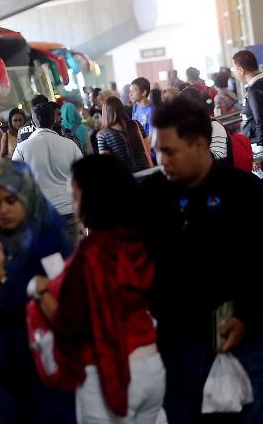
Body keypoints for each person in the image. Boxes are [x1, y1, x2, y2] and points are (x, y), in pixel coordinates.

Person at [143, 98, 263, 424]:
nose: (161, 160)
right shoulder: (152, 195)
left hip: (241, 341)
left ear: (200, 145)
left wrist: (247, 315)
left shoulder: (245, 192)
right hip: (177, 345)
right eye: (156, 150)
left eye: (170, 151)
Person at [28, 155, 164, 424]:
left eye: (76, 195)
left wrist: (41, 291)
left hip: (109, 373)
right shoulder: (143, 237)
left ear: (95, 197)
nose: (74, 206)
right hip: (152, 365)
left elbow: (70, 320)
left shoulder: (94, 252)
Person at [0, 159, 76, 424]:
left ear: (27, 195)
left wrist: (2, 277)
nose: (2, 210)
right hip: (1, 366)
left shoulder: (52, 241)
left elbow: (57, 307)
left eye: (11, 199)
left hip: (43, 369)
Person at [13, 103, 82, 243]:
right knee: (71, 257)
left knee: (48, 259)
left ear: (33, 123)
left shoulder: (22, 148)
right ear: (54, 120)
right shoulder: (70, 145)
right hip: (68, 209)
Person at [97, 97, 150, 173]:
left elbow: (106, 164)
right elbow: (147, 150)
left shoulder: (104, 135)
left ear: (105, 113)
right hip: (145, 173)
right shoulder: (136, 125)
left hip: (124, 178)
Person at [130, 77, 154, 145]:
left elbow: (151, 138)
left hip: (148, 150)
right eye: (130, 91)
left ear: (143, 92)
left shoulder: (151, 111)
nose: (130, 94)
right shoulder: (135, 107)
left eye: (133, 91)